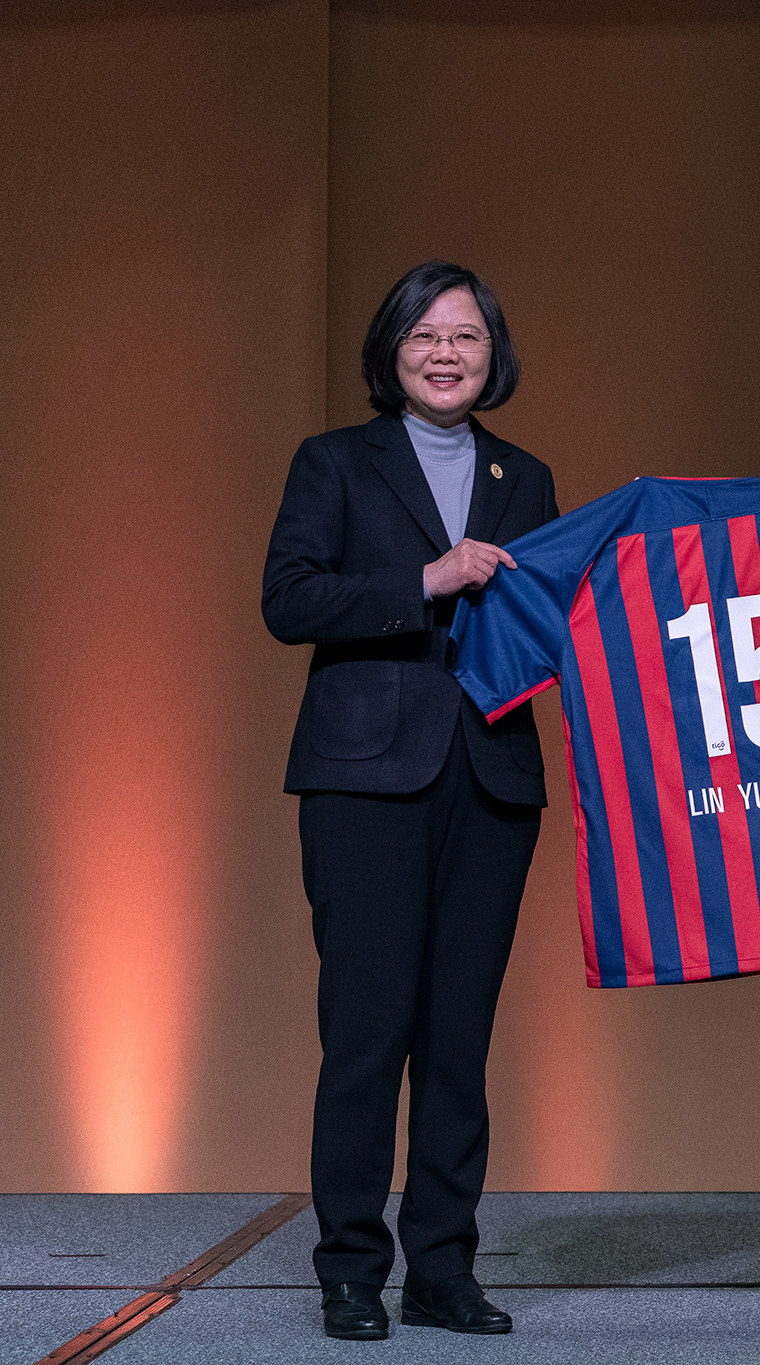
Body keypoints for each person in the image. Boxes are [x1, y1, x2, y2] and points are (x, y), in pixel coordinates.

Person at [262, 261, 559, 1341]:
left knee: (458, 1041)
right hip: (362, 781)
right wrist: (421, 585)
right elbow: (287, 600)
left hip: (489, 779)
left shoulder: (523, 476)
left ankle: (442, 1266)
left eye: (467, 338)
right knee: (365, 1032)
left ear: (495, 355)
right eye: (426, 335)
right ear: (392, 351)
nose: (446, 354)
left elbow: (543, 616)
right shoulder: (334, 463)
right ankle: (349, 1268)